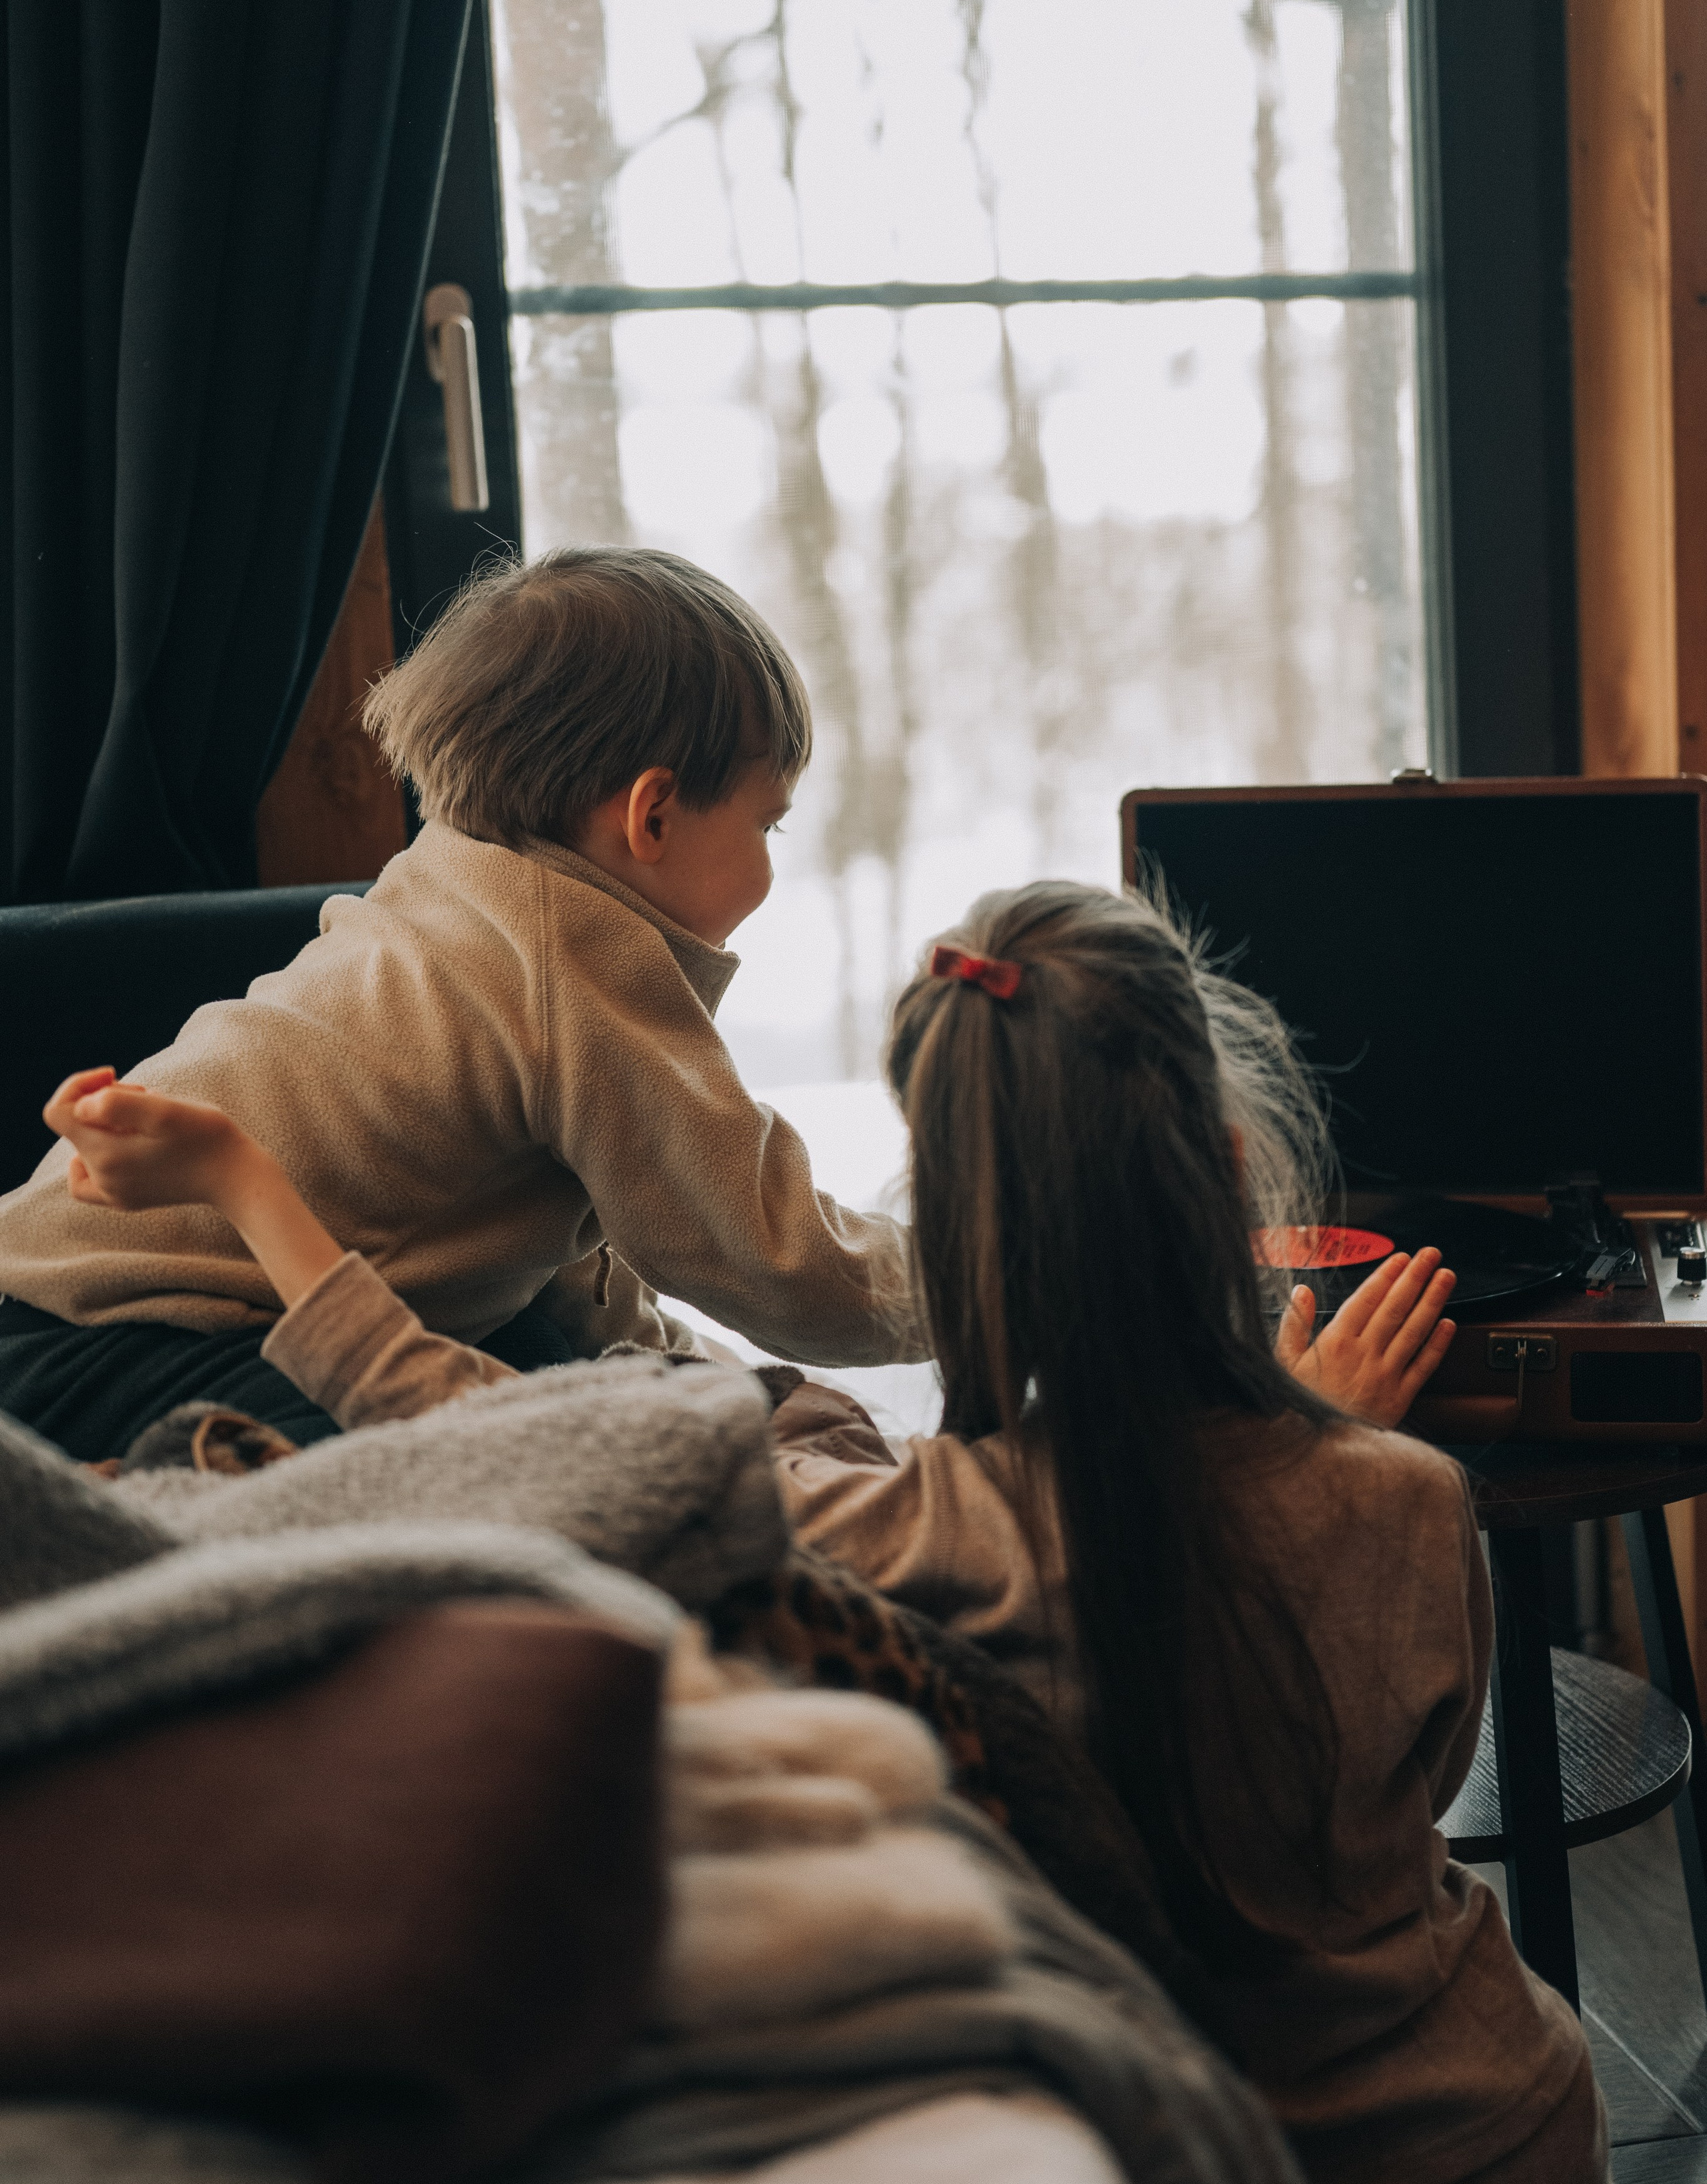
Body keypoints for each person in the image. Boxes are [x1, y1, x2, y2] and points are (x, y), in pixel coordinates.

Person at [35, 883, 1594, 2182]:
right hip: (1498, 2114)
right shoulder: (1398, 1498)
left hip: (1211, 2127)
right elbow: (1408, 1787)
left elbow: (474, 1425)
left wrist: (248, 1179)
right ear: (1232, 1172)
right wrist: (1324, 1431)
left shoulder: (907, 1532)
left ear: (959, 1226)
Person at [0, 549, 919, 1461]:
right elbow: (773, 1258)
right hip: (136, 1343)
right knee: (456, 1468)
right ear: (653, 815)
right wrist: (993, 1284)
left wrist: (674, 1361)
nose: (771, 857)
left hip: (55, 1313)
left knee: (545, 1363)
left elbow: (550, 1237)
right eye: (769, 823)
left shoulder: (455, 887)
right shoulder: (576, 964)